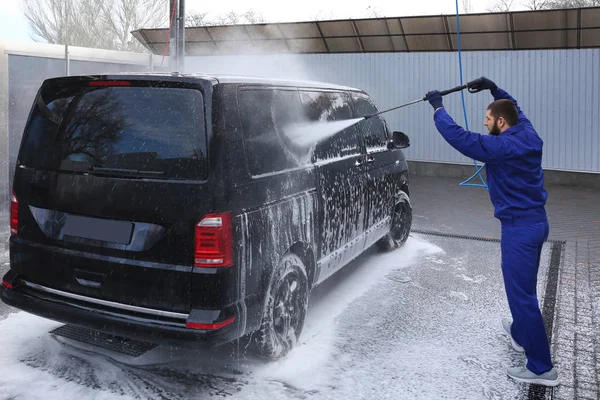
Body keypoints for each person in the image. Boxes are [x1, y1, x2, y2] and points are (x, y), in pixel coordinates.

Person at [424, 77, 559, 387]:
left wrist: (437, 108)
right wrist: (493, 88)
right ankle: (520, 334)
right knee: (521, 291)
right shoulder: (526, 132)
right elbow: (516, 108)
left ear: (500, 122)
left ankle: (541, 368)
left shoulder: (502, 147)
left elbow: (460, 138)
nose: (484, 123)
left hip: (520, 229)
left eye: (487, 119)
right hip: (536, 223)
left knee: (522, 296)